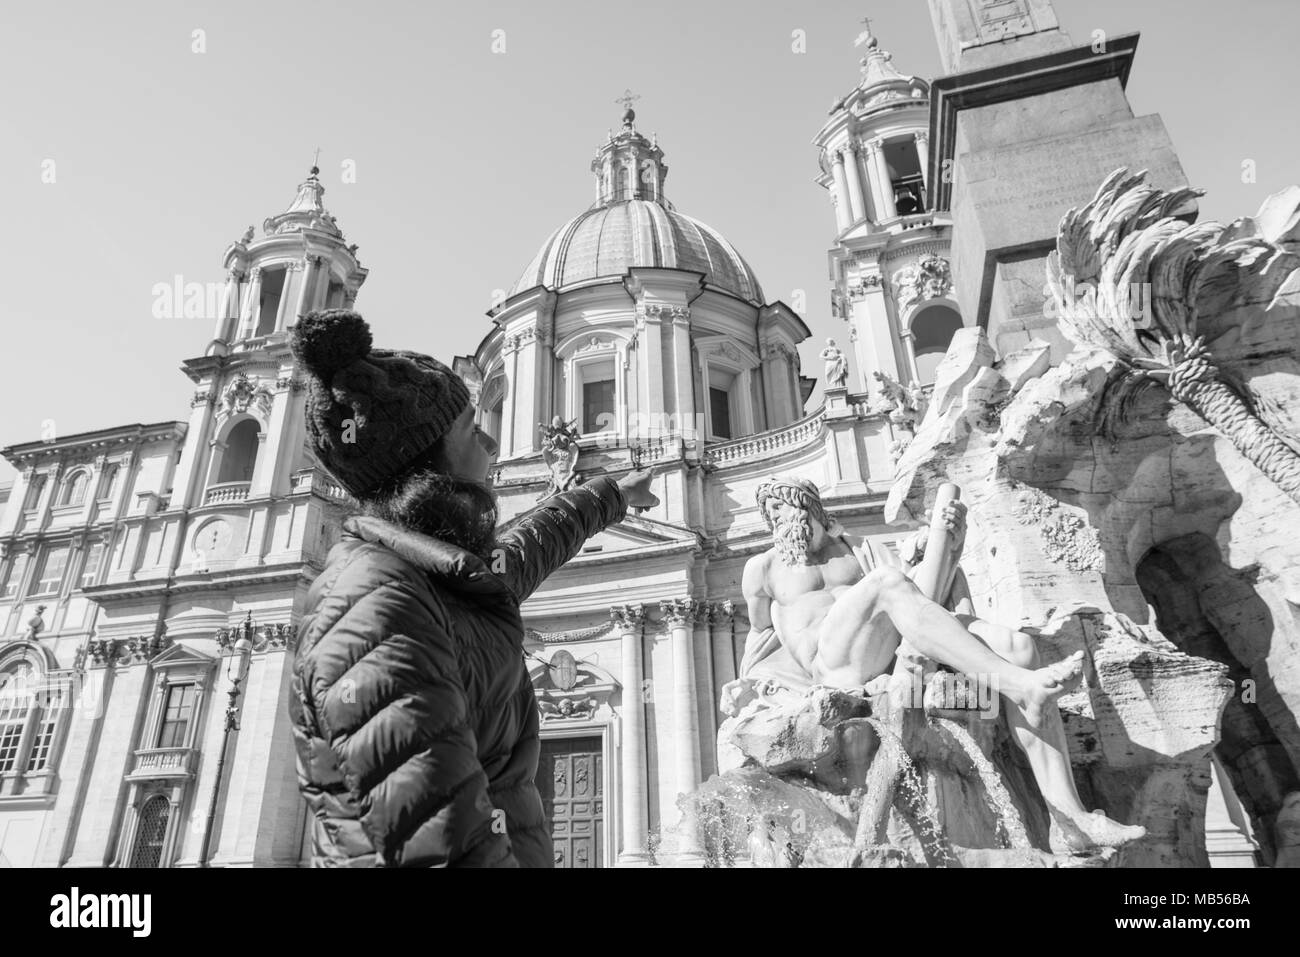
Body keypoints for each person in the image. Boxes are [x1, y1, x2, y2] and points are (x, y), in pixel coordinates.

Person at [287, 309, 657, 867]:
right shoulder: (377, 602)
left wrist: (609, 496)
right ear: (429, 464)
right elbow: (433, 838)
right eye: (471, 429)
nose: (490, 443)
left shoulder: (430, 572)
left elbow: (521, 553)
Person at [739, 475, 1145, 851]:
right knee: (887, 582)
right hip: (834, 667)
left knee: (1019, 647)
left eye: (777, 509)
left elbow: (922, 600)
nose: (773, 521)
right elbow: (760, 638)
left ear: (804, 506)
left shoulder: (857, 548)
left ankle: (1069, 818)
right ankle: (1020, 685)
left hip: (886, 651)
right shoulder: (762, 568)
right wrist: (754, 691)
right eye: (768, 514)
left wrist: (949, 543)